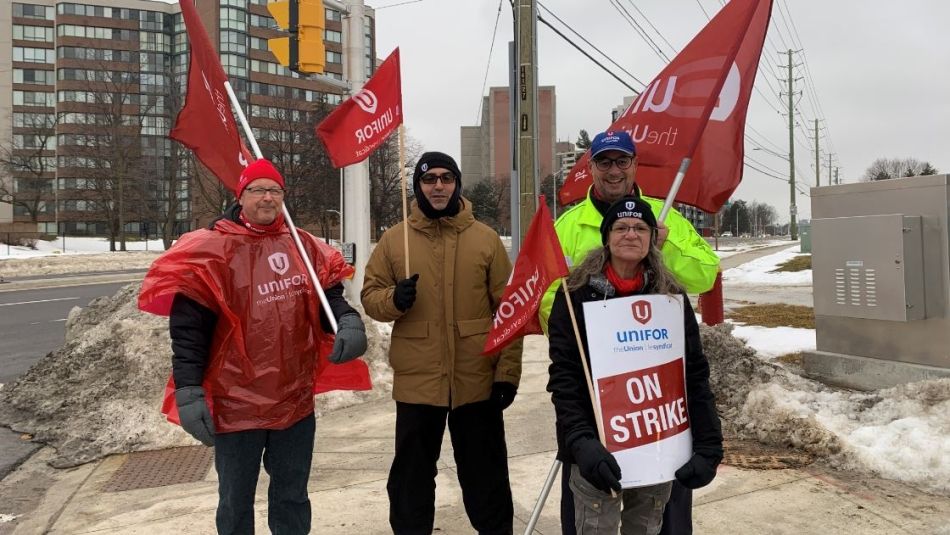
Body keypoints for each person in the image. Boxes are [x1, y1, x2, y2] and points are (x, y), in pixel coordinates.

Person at [139, 158, 368, 534]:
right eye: (257, 190)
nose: (267, 197)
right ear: (240, 196)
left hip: (293, 400)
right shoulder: (211, 251)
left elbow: (329, 299)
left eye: (274, 190)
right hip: (235, 404)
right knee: (235, 501)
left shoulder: (303, 247)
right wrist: (189, 388)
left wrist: (348, 320)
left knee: (292, 496)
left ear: (283, 197)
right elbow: (188, 332)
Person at [539, 130, 720, 535]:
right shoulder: (567, 226)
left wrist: (660, 248)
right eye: (604, 162)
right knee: (589, 513)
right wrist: (594, 332)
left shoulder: (664, 216)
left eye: (623, 161)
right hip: (594, 407)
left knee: (660, 520)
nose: (614, 170)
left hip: (655, 419)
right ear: (591, 168)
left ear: (635, 166)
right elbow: (547, 303)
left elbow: (706, 274)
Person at [361, 151, 523, 535]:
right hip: (419, 382)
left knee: (486, 477)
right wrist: (393, 301)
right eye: (429, 178)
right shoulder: (394, 240)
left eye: (445, 178)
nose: (437, 185)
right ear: (417, 185)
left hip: (476, 381)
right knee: (411, 479)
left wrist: (507, 373)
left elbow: (510, 312)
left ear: (456, 184)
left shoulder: (485, 239)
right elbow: (370, 296)